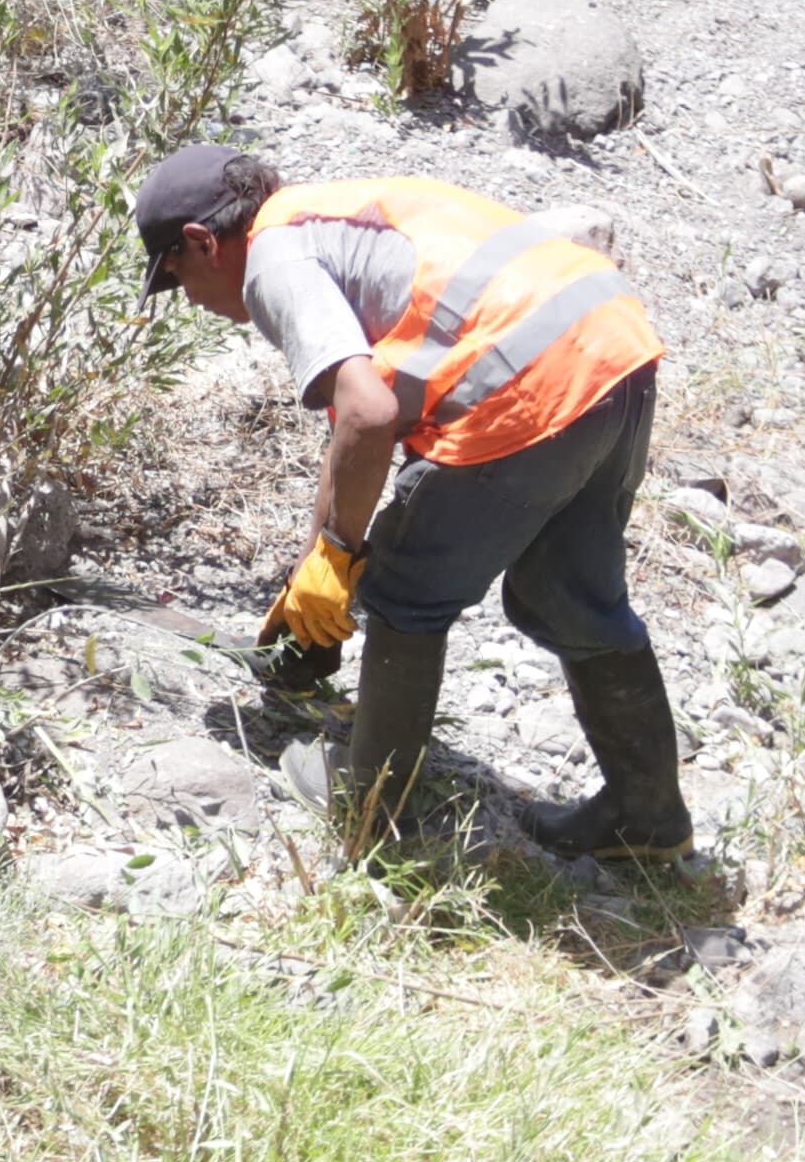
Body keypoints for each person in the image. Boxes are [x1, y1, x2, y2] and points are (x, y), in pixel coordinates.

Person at [133, 141, 691, 862]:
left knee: (404, 590)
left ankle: (370, 811)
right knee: (569, 596)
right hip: (611, 347)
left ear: (203, 242)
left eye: (176, 276)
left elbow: (368, 414)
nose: (189, 300)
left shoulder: (273, 258)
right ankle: (647, 817)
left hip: (528, 379)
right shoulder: (332, 213)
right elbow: (354, 429)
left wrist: (345, 554)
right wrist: (316, 568)